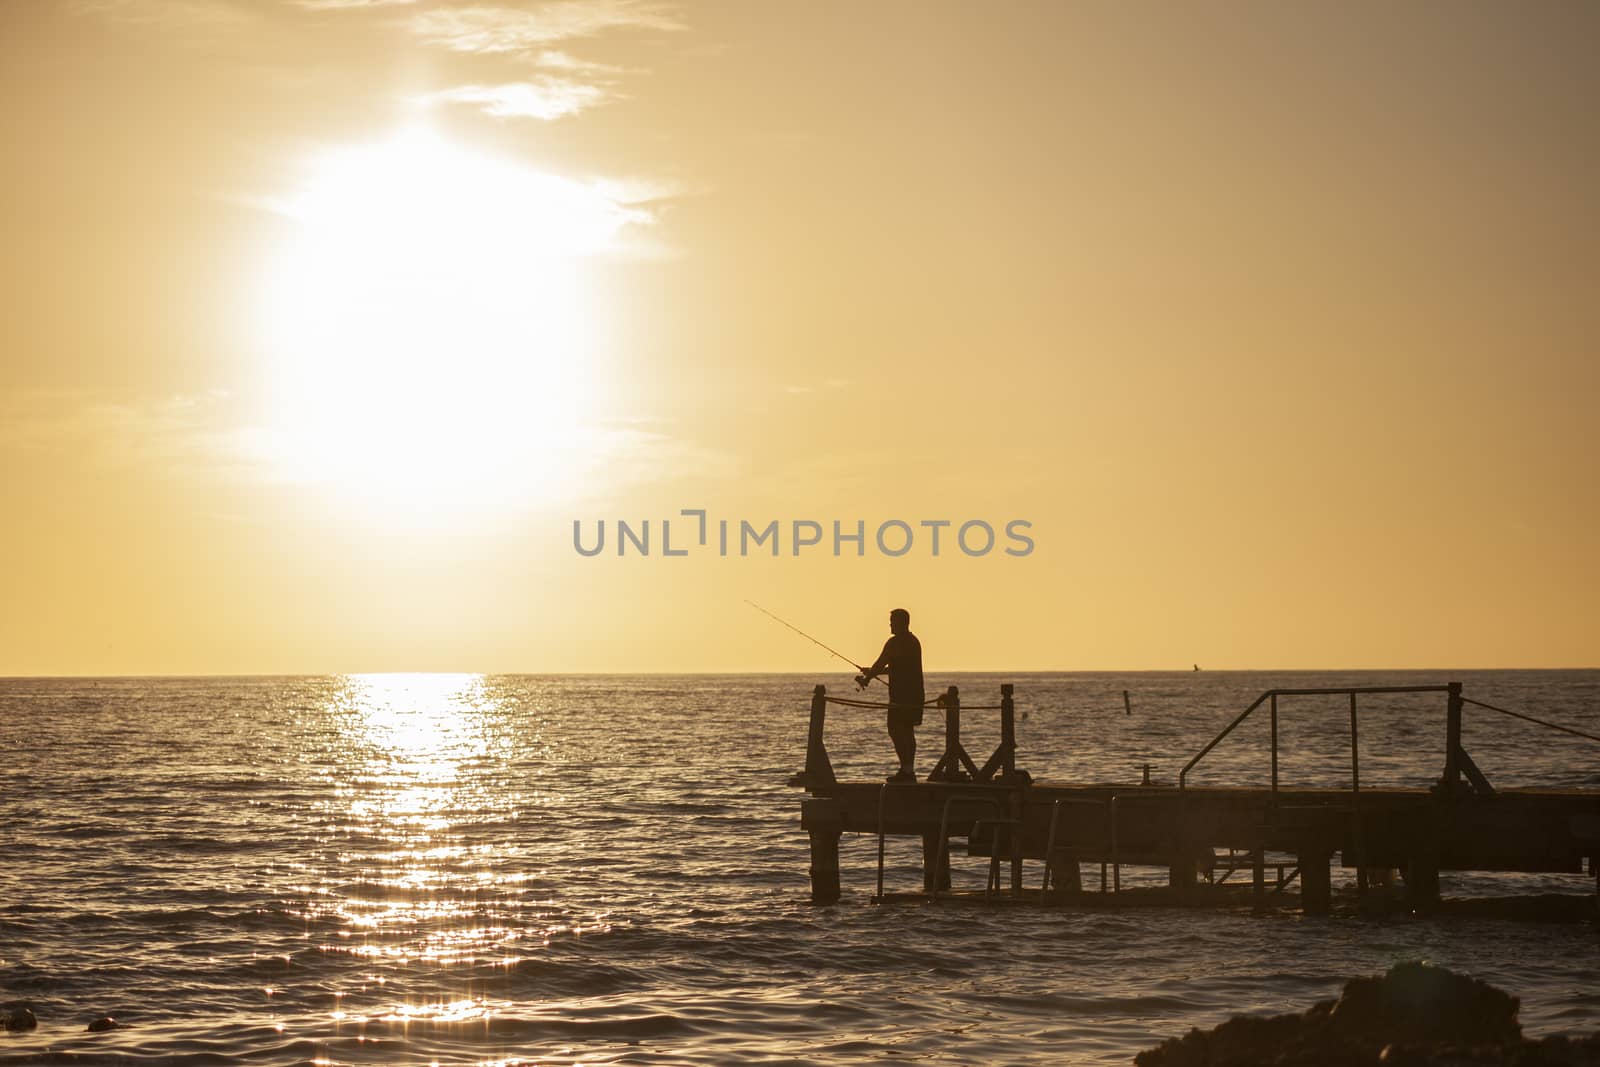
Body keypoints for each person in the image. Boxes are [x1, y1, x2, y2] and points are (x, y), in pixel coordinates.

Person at [856, 608, 924, 782]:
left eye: (893, 622)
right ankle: (909, 770)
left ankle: (906, 771)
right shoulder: (914, 642)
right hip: (916, 696)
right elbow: (898, 667)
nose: (890, 625)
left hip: (901, 698)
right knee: (908, 732)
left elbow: (881, 663)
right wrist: (872, 672)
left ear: (902, 623)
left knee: (895, 730)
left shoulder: (895, 643)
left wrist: (869, 676)